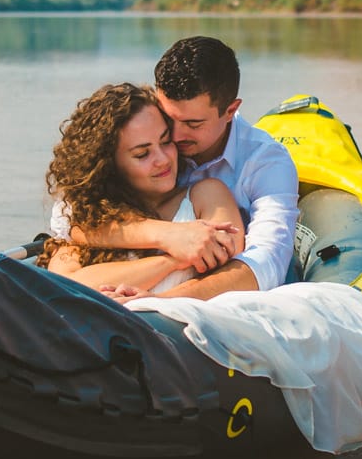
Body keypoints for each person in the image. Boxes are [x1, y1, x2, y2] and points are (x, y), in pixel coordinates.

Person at [50, 36, 300, 300]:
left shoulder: (266, 164)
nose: (176, 137)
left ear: (230, 111)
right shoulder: (147, 130)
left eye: (193, 124)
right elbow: (70, 220)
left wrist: (158, 302)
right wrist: (168, 237)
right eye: (169, 119)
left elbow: (264, 263)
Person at [43, 83, 244, 296]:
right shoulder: (91, 221)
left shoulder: (206, 196)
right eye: (142, 154)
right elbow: (68, 284)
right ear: (109, 167)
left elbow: (233, 270)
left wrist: (158, 301)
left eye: (166, 141)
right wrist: (173, 259)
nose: (163, 159)